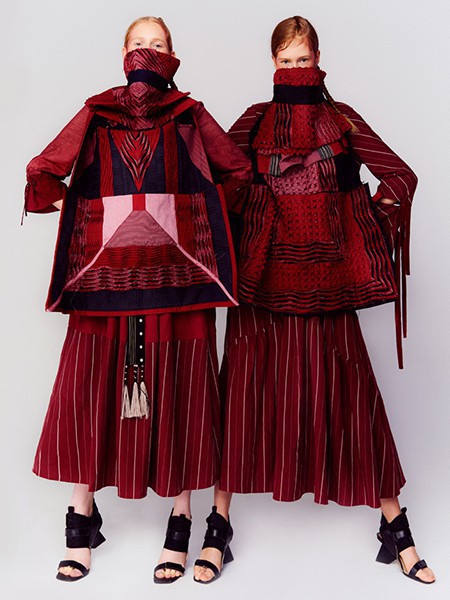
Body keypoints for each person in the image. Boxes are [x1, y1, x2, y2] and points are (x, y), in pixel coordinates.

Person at [25, 16, 251, 583]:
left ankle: (181, 519)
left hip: (179, 280)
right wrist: (74, 209)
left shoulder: (190, 116)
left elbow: (237, 172)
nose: (146, 54)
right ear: (122, 53)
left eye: (158, 45)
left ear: (173, 56)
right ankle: (81, 517)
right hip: (108, 279)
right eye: (138, 45)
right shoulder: (97, 114)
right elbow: (46, 169)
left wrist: (200, 222)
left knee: (180, 391)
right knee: (92, 386)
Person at [213, 16, 435, 585]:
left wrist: (361, 224)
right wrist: (250, 221)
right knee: (241, 394)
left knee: (351, 396)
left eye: (303, 59)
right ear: (273, 64)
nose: (295, 70)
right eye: (285, 61)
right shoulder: (254, 121)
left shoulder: (343, 120)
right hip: (262, 282)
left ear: (318, 59)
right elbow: (211, 179)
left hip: (328, 282)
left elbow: (399, 177)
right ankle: (218, 528)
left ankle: (396, 528)